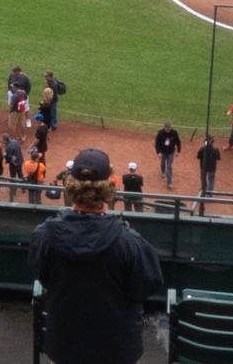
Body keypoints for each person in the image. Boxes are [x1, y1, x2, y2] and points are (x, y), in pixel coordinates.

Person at [29, 149, 165, 364]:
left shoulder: (44, 235)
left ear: (70, 186)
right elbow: (145, 287)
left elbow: (43, 277)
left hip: (65, 346)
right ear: (108, 186)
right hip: (116, 348)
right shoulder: (129, 242)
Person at [153, 122, 181, 188]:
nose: (168, 130)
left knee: (169, 166)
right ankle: (163, 171)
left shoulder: (174, 133)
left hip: (171, 152)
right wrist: (158, 152)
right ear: (164, 127)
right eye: (166, 128)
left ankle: (169, 182)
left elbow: (178, 142)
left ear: (170, 128)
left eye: (169, 128)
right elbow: (157, 143)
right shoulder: (160, 133)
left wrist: (178, 151)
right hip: (163, 152)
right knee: (162, 163)